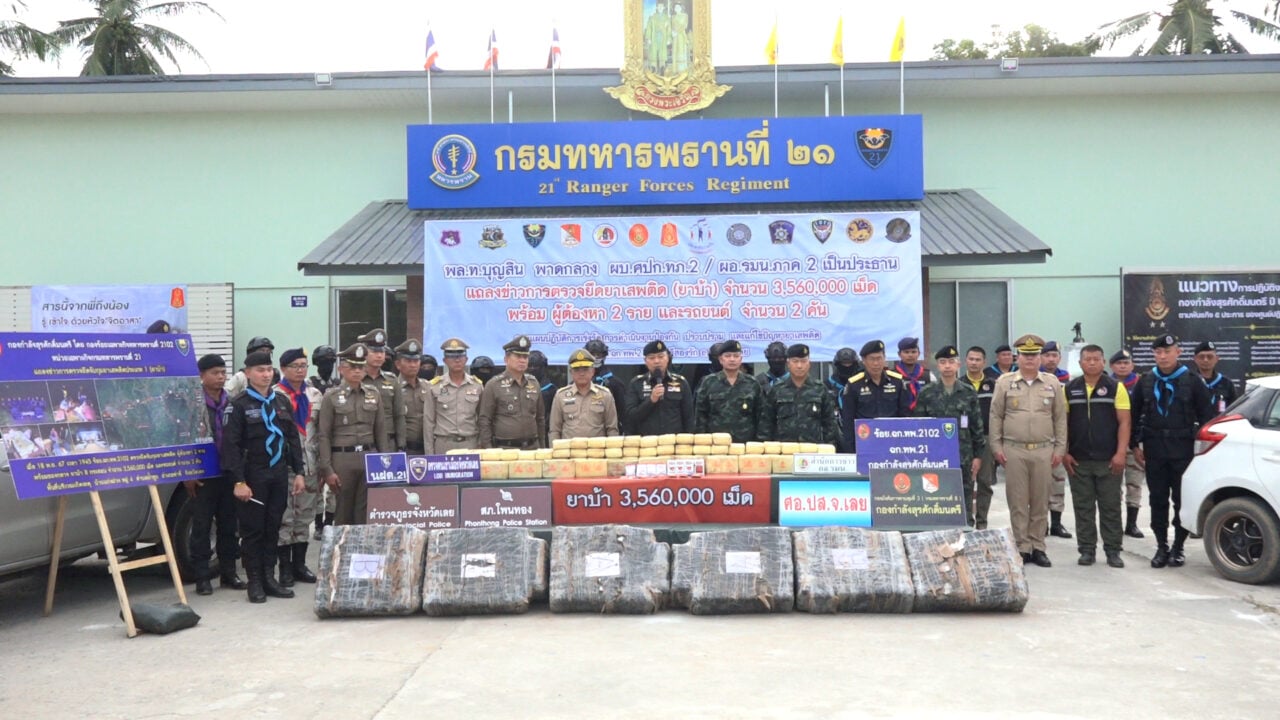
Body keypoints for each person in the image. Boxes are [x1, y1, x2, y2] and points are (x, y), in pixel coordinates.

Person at [220, 350, 305, 603]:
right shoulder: (238, 405)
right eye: (260, 370)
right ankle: (255, 581)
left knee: (273, 527)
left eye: (269, 370)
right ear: (248, 373)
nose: (266, 375)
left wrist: (299, 472)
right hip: (252, 474)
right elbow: (230, 447)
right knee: (253, 530)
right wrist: (238, 481)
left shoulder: (281, 401)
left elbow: (292, 439)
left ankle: (269, 577)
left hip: (278, 473)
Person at [1131, 335, 1216, 569]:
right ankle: (1161, 546)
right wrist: (1134, 445)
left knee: (1181, 501)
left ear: (1178, 352)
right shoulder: (1146, 381)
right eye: (1158, 352)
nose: (1162, 356)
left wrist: (1202, 452)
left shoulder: (1192, 381)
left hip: (1183, 451)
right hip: (1155, 449)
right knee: (1157, 500)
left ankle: (1178, 547)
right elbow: (1134, 414)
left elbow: (1207, 417)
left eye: (1167, 351)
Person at [989, 334, 1067, 568]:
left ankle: (1038, 546)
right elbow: (996, 415)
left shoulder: (1052, 383)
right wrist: (996, 446)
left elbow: (1059, 418)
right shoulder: (1005, 382)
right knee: (1018, 501)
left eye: (1034, 355)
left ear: (1040, 357)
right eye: (1025, 355)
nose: (1030, 359)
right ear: (1018, 357)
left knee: (1041, 501)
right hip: (1014, 450)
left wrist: (1060, 448)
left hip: (1044, 450)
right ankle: (1022, 547)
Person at [1063, 344, 1130, 568]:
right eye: (1087, 359)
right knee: (1083, 507)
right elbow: (1063, 424)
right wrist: (1065, 452)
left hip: (1109, 460)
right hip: (1078, 460)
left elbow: (1124, 423)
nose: (1091, 363)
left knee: (1111, 507)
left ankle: (1113, 550)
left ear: (1103, 362)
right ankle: (1086, 550)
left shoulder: (1116, 388)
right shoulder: (1069, 389)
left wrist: (1120, 453)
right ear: (1080, 363)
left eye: (1096, 359)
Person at [187, 354, 246, 596]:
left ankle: (228, 573)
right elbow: (184, 438)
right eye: (215, 373)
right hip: (203, 474)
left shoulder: (231, 402)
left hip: (229, 471)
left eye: (223, 373)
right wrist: (188, 472)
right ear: (201, 376)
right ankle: (202, 577)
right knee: (201, 526)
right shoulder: (192, 404)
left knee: (229, 525)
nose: (221, 377)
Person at [316, 344, 390, 526]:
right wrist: (327, 469)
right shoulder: (331, 396)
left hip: (369, 457)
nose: (357, 371)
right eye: (352, 367)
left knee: (366, 511)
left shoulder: (373, 394)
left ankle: (363, 545)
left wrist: (384, 461)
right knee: (343, 512)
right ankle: (343, 545)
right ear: (341, 369)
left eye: (360, 367)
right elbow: (324, 435)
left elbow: (381, 431)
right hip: (343, 459)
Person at [913, 346, 985, 526]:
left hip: (963, 454)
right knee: (935, 494)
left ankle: (966, 528)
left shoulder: (968, 392)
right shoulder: (927, 393)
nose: (947, 366)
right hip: (934, 456)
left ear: (958, 365)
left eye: (951, 362)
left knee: (964, 494)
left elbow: (976, 426)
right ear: (937, 365)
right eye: (943, 362)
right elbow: (919, 427)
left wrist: (978, 456)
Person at [273, 348, 322, 588]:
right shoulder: (274, 395)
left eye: (304, 366)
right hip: (285, 466)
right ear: (283, 369)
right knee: (285, 518)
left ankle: (299, 565)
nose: (300, 370)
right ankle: (284, 568)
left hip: (310, 464)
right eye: (295, 366)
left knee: (305, 517)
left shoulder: (314, 394)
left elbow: (321, 431)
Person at [759, 344, 838, 444]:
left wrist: (829, 447)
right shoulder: (777, 390)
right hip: (785, 450)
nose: (799, 366)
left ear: (809, 363)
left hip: (812, 450)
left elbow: (830, 423)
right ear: (788, 363)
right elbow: (766, 423)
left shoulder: (820, 389)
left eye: (803, 361)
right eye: (795, 361)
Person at [478, 335, 546, 450]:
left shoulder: (534, 383)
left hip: (532, 448)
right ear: (506, 359)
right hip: (505, 449)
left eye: (525, 357)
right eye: (518, 356)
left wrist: (542, 447)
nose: (522, 360)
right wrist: (488, 449)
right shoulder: (494, 385)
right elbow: (485, 420)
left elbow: (540, 419)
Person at [841, 340, 909, 452]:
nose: (876, 363)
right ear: (864, 361)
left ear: (884, 358)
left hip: (893, 443)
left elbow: (905, 416)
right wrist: (851, 450)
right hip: (864, 442)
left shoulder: (897, 381)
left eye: (879, 358)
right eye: (872, 359)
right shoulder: (854, 384)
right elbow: (848, 421)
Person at [694, 339, 762, 443]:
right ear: (720, 359)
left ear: (741, 359)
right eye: (728, 356)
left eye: (736, 356)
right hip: (716, 444)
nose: (732, 359)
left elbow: (761, 416)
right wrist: (702, 441)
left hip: (745, 444)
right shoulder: (708, 383)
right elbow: (700, 416)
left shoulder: (752, 383)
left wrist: (758, 442)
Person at [424, 338, 484, 453]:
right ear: (445, 360)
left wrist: (481, 445)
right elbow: (428, 423)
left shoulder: (477, 385)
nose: (457, 360)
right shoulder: (434, 386)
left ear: (466, 359)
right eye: (451, 356)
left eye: (460, 356)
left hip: (470, 444)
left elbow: (482, 419)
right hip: (444, 444)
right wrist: (429, 454)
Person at [1110, 348, 1146, 539]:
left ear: (1132, 365)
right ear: (1112, 366)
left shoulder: (1141, 384)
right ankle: (1114, 523)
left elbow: (1144, 414)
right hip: (1112, 443)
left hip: (1134, 442)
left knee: (1134, 482)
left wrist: (1137, 442)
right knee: (1112, 484)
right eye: (1119, 363)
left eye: (1126, 363)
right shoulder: (1106, 384)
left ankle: (1132, 524)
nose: (1123, 366)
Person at [1040, 340, 1074, 539]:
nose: (1051, 359)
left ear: (1059, 358)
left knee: (1058, 480)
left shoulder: (1067, 380)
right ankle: (1041, 523)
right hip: (1038, 437)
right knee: (1038, 483)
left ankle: (1056, 523)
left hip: (1058, 437)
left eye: (1054, 356)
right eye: (1047, 355)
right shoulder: (1034, 377)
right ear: (1041, 357)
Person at [626, 339, 694, 435]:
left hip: (674, 440)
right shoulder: (636, 383)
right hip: (646, 441)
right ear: (645, 361)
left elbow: (689, 418)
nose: (657, 361)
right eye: (652, 358)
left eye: (661, 356)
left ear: (668, 358)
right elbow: (631, 417)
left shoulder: (681, 382)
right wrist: (651, 401)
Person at [550, 349, 619, 439]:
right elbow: (555, 430)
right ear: (571, 372)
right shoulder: (561, 396)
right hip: (569, 447)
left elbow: (612, 429)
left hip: (596, 447)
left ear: (593, 371)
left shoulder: (605, 395)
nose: (581, 373)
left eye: (585, 369)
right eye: (577, 370)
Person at [357, 328, 406, 451]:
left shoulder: (392, 380)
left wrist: (401, 444)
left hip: (389, 441)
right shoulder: (357, 379)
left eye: (381, 351)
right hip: (365, 441)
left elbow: (399, 415)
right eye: (374, 351)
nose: (379, 356)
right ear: (364, 353)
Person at [310, 344, 339, 540]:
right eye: (323, 362)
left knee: (334, 487)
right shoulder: (309, 384)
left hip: (333, 439)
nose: (327, 365)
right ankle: (318, 524)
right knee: (316, 487)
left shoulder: (338, 384)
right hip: (314, 441)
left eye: (330, 362)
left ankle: (328, 523)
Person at [393, 339, 431, 455]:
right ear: (398, 364)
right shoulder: (392, 388)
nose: (413, 365)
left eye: (416, 361)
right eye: (408, 361)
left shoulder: (428, 387)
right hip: (403, 448)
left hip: (427, 448)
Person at [585, 338, 628, 423]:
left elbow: (623, 414)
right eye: (592, 354)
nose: (595, 358)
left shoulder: (616, 384)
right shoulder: (578, 382)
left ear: (604, 356)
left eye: (598, 354)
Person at [1193, 340, 1237, 414]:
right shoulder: (1189, 381)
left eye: (1210, 357)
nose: (1206, 360)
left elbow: (1233, 410)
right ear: (1195, 359)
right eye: (1201, 357)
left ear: (1216, 359)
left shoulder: (1226, 384)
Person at [527, 350, 558, 445]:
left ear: (543, 367)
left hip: (544, 432)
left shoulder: (551, 389)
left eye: (536, 366)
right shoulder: (520, 387)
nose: (532, 369)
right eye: (530, 366)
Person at [894, 336, 932, 412]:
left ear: (919, 354)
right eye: (906, 352)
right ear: (899, 354)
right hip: (899, 416)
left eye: (913, 352)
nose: (910, 355)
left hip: (923, 416)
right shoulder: (892, 375)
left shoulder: (928, 376)